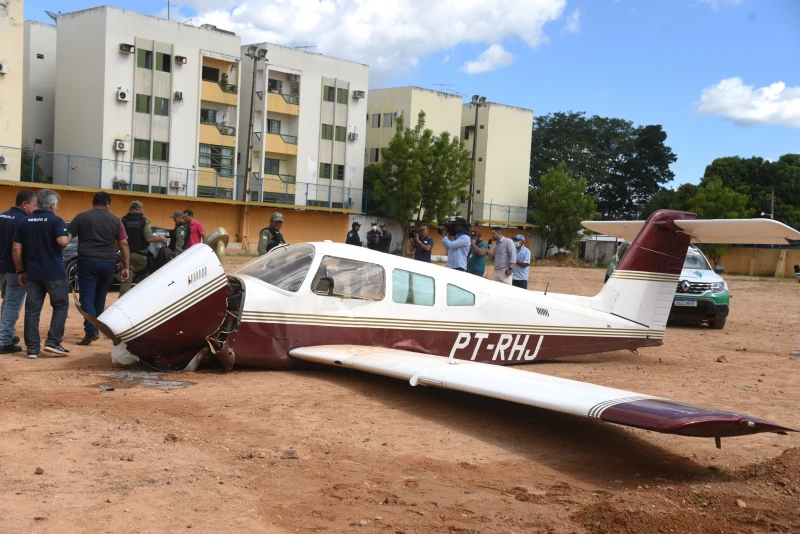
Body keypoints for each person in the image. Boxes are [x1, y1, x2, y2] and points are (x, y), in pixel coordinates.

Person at [12, 189, 71, 358]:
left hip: (32, 273)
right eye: (57, 205)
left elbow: (16, 248)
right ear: (52, 205)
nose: (58, 208)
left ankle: (32, 348)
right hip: (54, 273)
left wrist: (20, 270)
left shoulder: (24, 221)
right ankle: (53, 342)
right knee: (60, 306)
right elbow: (61, 241)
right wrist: (69, 235)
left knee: (32, 310)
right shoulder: (56, 221)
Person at [66, 192, 131, 346]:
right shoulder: (116, 220)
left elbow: (66, 238)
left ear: (93, 203)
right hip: (108, 263)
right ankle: (96, 329)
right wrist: (126, 266)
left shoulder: (81, 217)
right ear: (107, 204)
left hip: (87, 261)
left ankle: (91, 330)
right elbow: (124, 244)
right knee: (100, 297)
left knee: (87, 296)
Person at [0, 189, 37, 353]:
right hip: (14, 269)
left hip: (1, 268)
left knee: (7, 302)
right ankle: (4, 341)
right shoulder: (24, 221)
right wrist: (22, 269)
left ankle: (5, 333)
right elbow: (23, 248)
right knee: (12, 305)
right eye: (34, 205)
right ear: (24, 204)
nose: (35, 209)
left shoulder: (1, 216)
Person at [119, 201, 167, 296]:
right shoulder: (144, 221)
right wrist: (161, 239)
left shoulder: (122, 221)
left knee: (126, 281)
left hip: (125, 255)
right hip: (140, 257)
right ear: (140, 210)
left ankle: (123, 301)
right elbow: (149, 238)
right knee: (145, 280)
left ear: (130, 209)